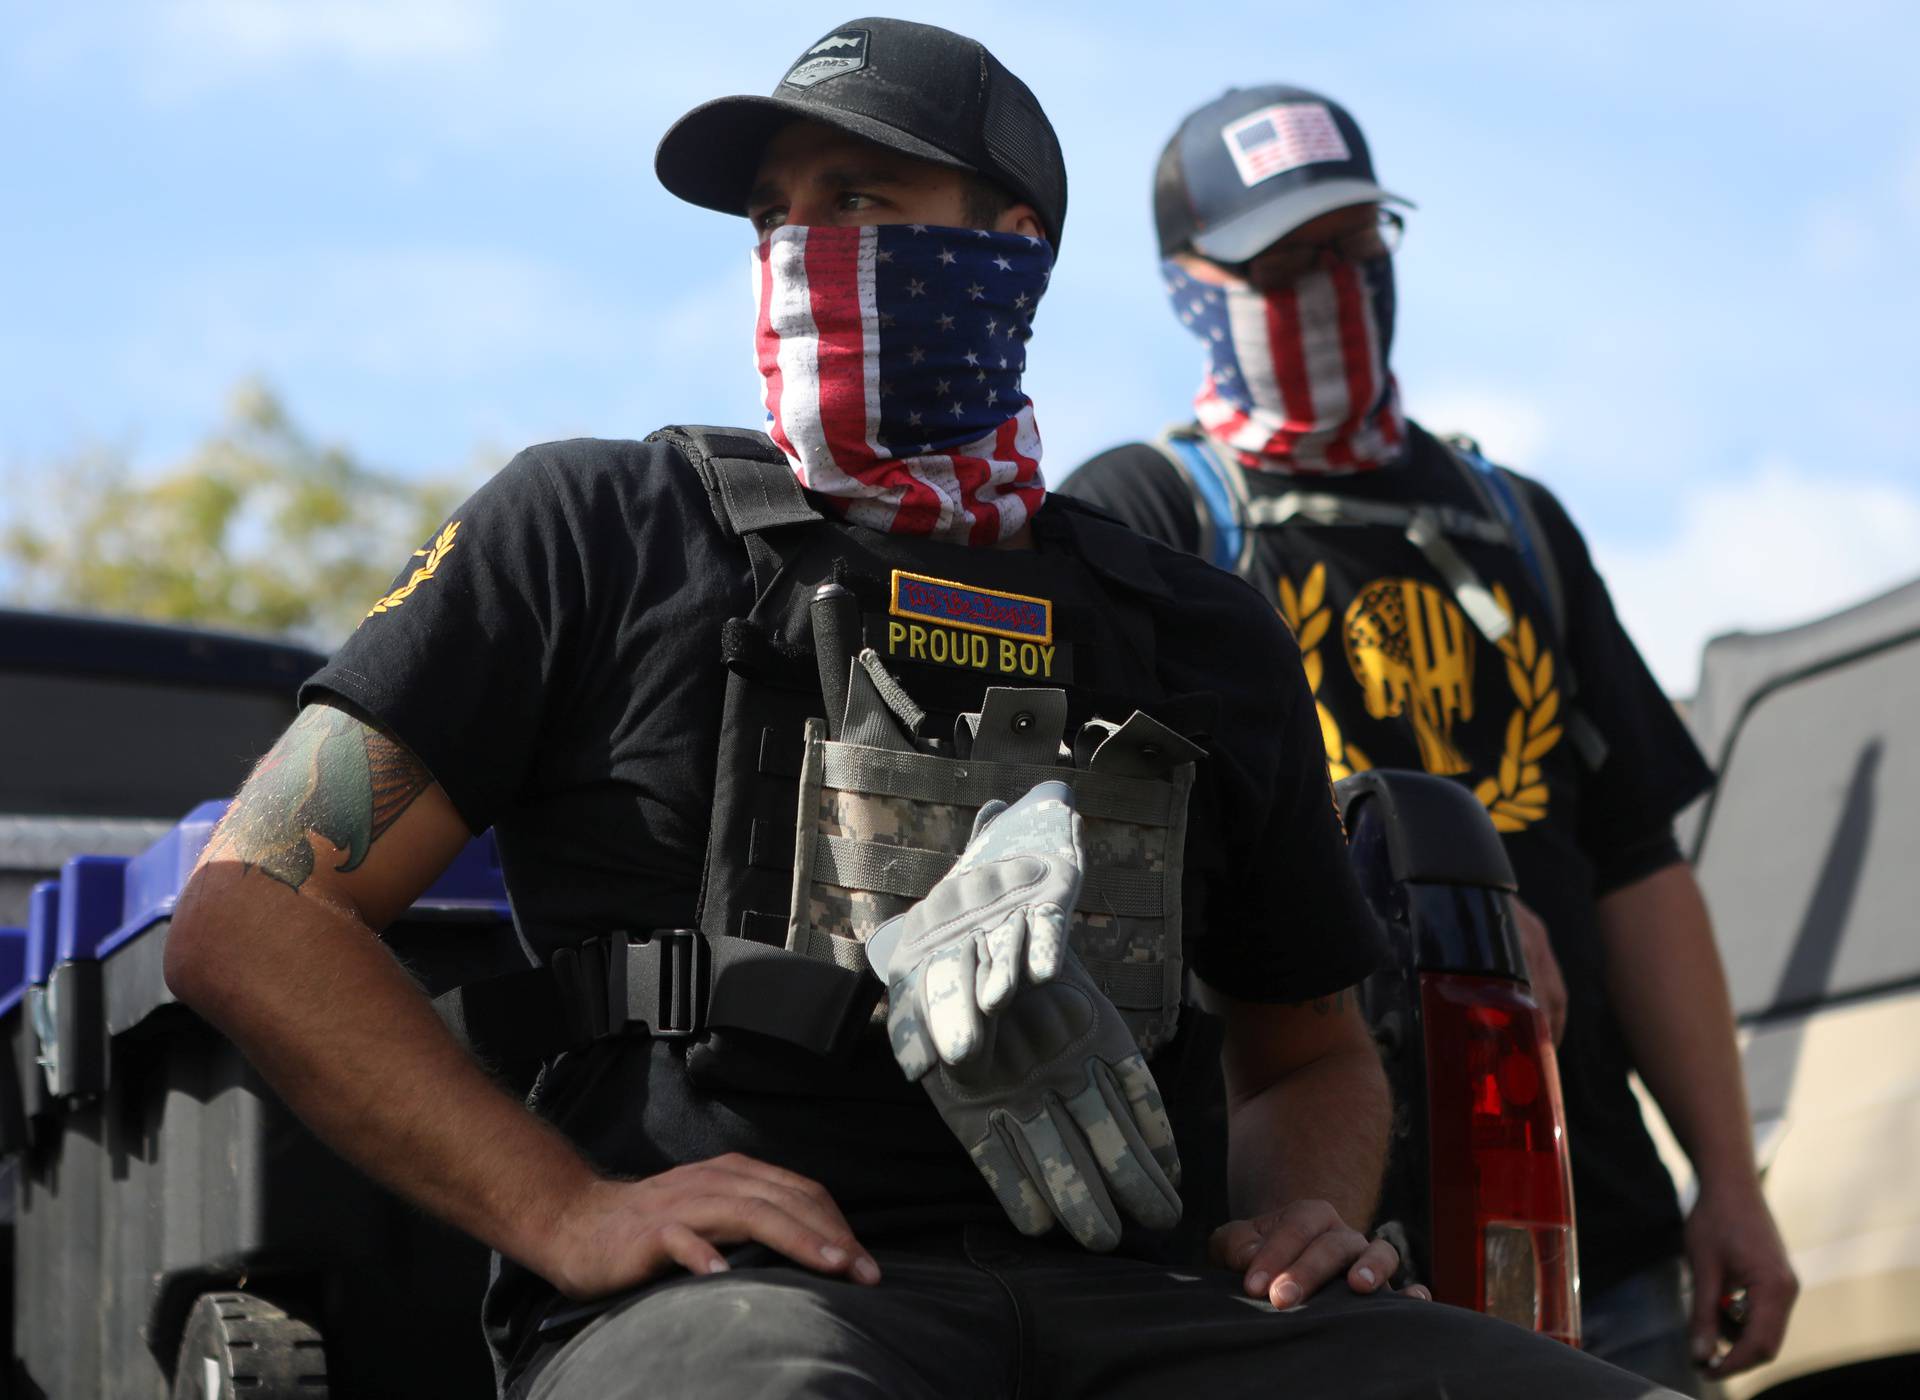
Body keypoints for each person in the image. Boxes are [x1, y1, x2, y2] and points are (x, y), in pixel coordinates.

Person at [165, 24, 1676, 1399]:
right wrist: (569, 1210)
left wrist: (1305, 1220)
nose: (800, 246)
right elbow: (250, 917)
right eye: (774, 213)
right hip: (738, 1313)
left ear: (1011, 248)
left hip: (1135, 1309)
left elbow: (1312, 1057)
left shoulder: (1195, 628)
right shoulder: (597, 530)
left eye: (860, 200)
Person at [1061, 84, 1798, 1393]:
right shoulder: (1144, 517)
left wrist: (1730, 1180)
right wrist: (1411, 907)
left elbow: (1638, 869)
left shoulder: (1513, 521)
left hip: (1589, 1255)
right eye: (1285, 265)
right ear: (1189, 287)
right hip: (1307, 1263)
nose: (1332, 290)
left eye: (1358, 249)